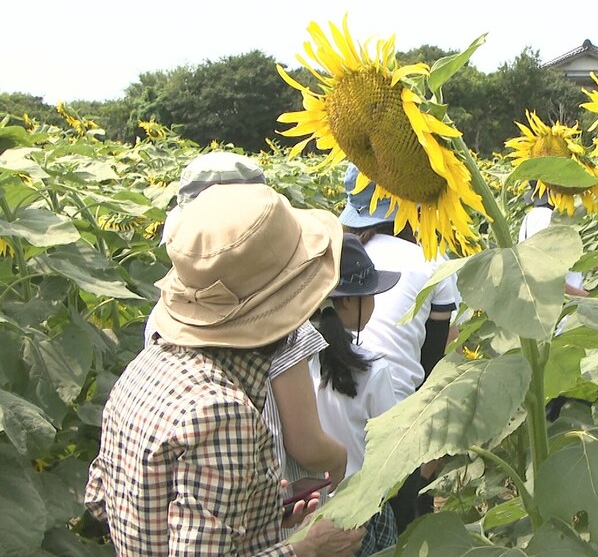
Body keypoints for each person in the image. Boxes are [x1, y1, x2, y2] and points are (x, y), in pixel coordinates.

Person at [86, 183, 365, 555]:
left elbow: (102, 498)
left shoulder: (145, 367)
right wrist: (308, 549)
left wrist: (259, 517)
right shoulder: (221, 413)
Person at [145, 152, 349, 509]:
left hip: (182, 500)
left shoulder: (164, 317)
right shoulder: (283, 328)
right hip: (272, 505)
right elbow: (305, 443)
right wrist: (340, 458)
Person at [337, 163, 460, 531]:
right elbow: (441, 361)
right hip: (397, 422)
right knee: (407, 525)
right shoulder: (429, 259)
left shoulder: (338, 257)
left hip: (329, 414)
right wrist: (431, 448)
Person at [310, 234, 404, 556]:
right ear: (349, 300)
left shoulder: (291, 364)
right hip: (361, 511)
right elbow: (392, 450)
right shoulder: (372, 371)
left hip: (307, 511)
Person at [518, 181, 588, 298]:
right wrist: (585, 296)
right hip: (562, 303)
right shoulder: (545, 217)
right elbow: (544, 273)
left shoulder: (530, 217)